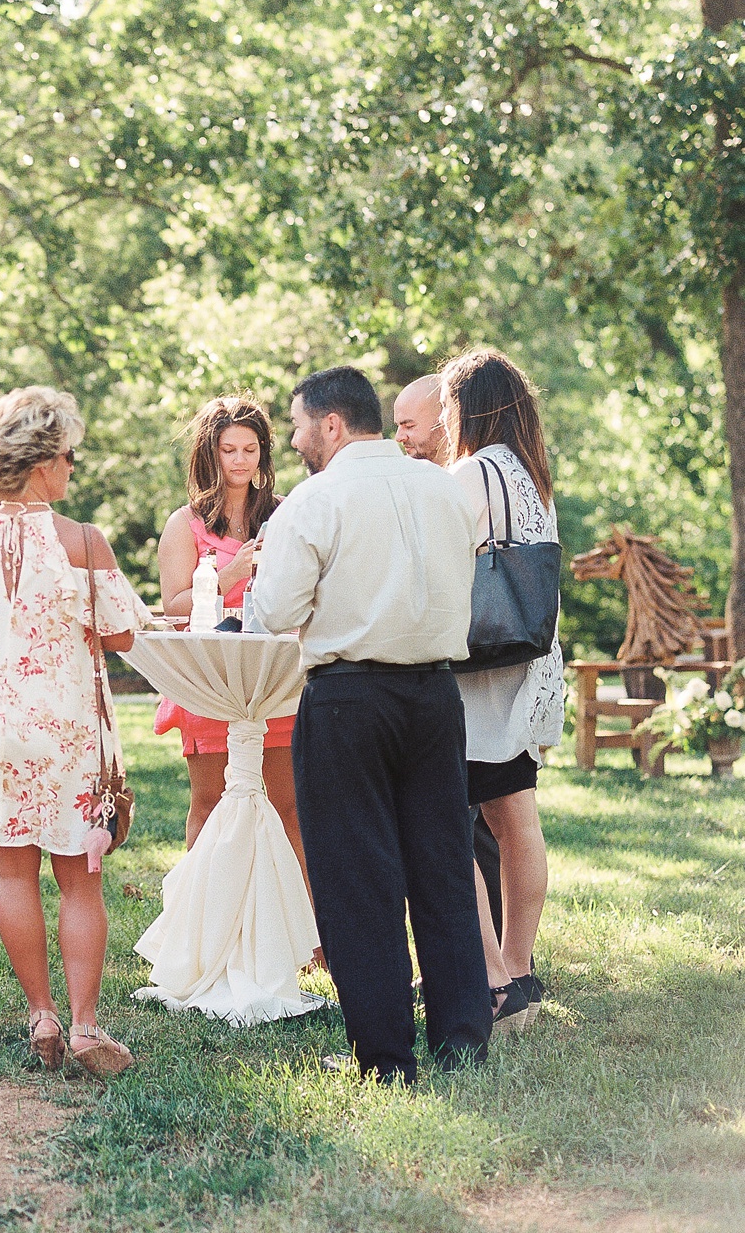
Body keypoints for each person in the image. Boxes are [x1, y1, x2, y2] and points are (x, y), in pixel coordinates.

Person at [254, 366, 487, 1083]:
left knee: (358, 876)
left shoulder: (316, 500)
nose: (292, 439)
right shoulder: (449, 491)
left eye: (296, 425)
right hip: (436, 695)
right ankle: (462, 1041)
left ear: (331, 424)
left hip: (349, 696)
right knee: (443, 864)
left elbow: (274, 611)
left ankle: (385, 1056)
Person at [0, 387, 145, 1077]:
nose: (73, 467)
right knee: (81, 879)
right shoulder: (82, 540)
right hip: (65, 728)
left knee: (10, 871)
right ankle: (84, 1024)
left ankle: (42, 1014)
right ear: (47, 462)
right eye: (70, 456)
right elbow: (119, 632)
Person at [441, 349, 562, 1032]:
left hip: (477, 670)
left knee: (447, 822)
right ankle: (519, 971)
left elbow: (434, 556)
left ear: (469, 405)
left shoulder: (471, 472)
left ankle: (488, 978)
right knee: (516, 818)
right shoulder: (531, 475)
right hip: (528, 660)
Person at [154, 397, 308, 889]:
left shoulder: (285, 515)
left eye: (250, 449)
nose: (240, 460)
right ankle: (201, 924)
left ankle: (307, 938)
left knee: (290, 808)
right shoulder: (185, 523)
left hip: (275, 679)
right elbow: (173, 604)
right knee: (210, 803)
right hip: (210, 679)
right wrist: (230, 574)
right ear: (210, 455)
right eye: (228, 450)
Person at [396, 373, 509, 961]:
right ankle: (493, 963)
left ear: (446, 418)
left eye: (409, 425)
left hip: (471, 668)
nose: (401, 438)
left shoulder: (464, 480)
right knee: (484, 821)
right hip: (482, 669)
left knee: (469, 826)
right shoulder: (504, 473)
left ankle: (478, 965)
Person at [393, 374, 448, 465]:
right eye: (398, 426)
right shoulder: (402, 475)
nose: (399, 437)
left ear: (444, 420)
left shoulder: (474, 472)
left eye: (409, 426)